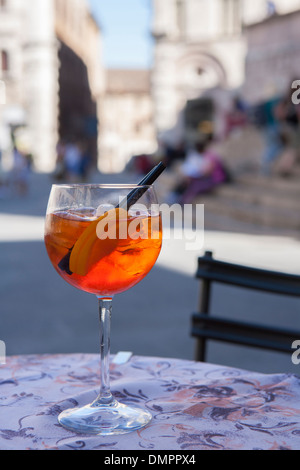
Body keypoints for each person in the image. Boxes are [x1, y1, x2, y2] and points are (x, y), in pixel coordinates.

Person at [170, 138, 228, 204]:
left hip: (215, 179)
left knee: (194, 185)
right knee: (189, 182)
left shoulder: (210, 156)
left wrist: (193, 176)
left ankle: (182, 201)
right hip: (212, 178)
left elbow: (207, 171)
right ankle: (180, 199)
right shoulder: (208, 155)